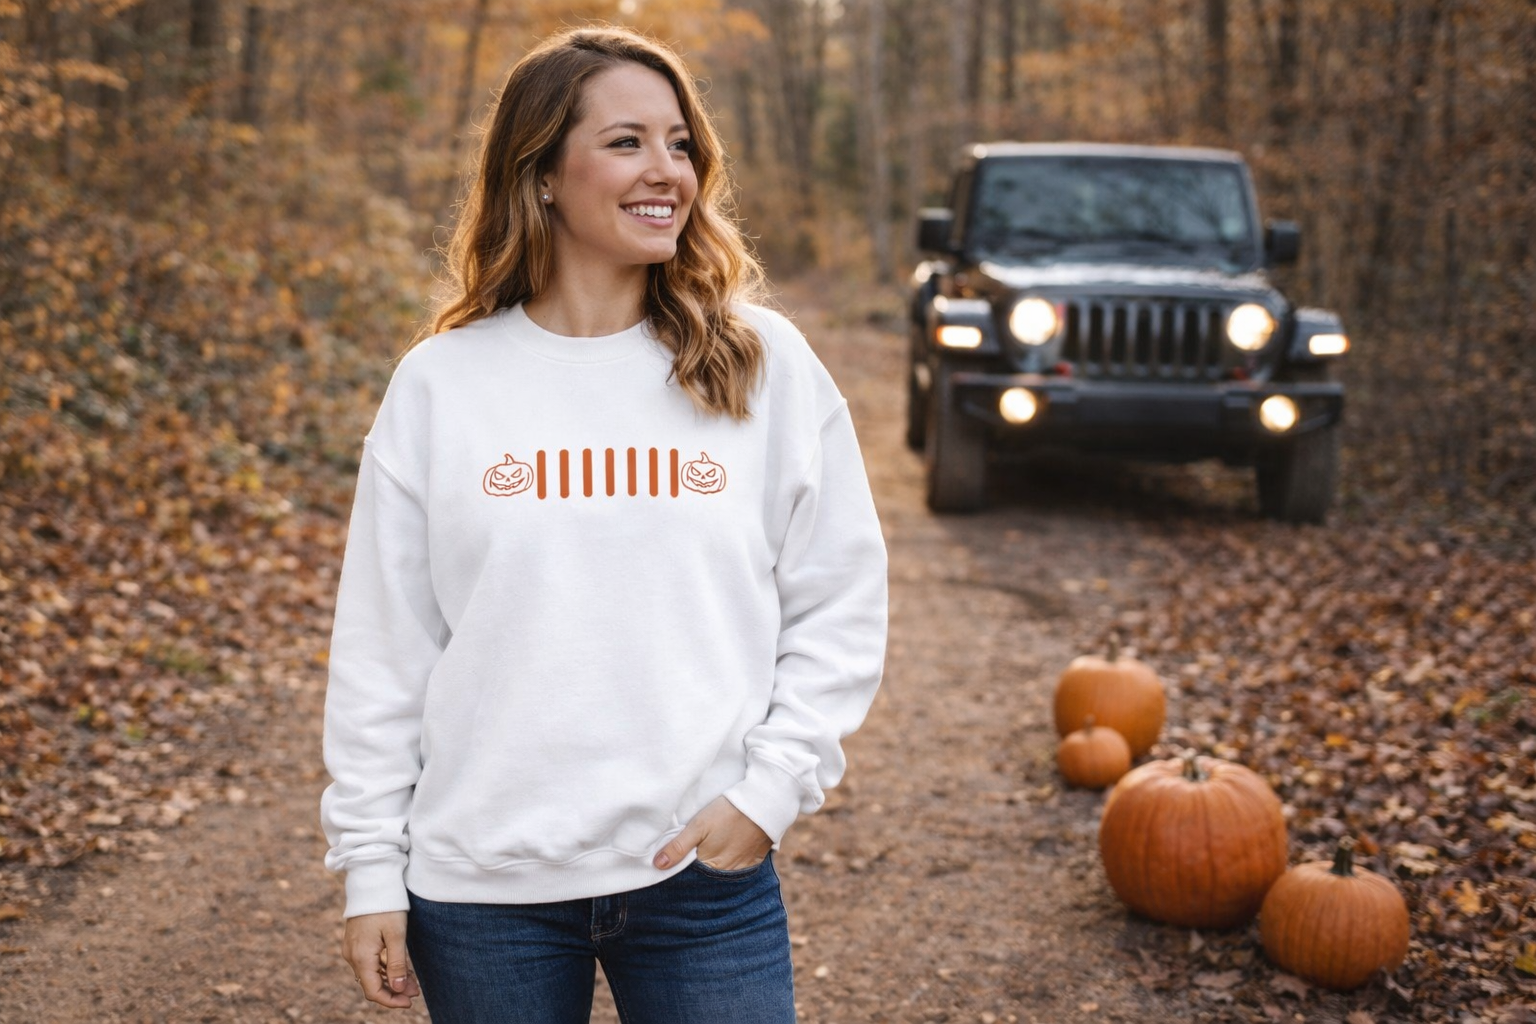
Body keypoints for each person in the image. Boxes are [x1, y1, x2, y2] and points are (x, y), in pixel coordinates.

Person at [317, 24, 888, 1024]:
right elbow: (384, 647)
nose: (665, 168)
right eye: (626, 142)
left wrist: (771, 791)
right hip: (481, 889)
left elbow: (840, 594)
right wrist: (371, 866)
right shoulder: (443, 384)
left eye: (679, 143)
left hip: (701, 882)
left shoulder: (761, 363)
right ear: (541, 173)